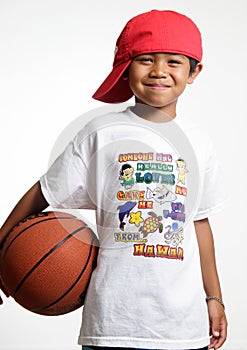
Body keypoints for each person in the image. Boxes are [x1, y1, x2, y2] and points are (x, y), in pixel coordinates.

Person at [0, 9, 228, 350]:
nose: (159, 71)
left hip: (181, 326)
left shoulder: (199, 142)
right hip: (111, 321)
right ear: (126, 69)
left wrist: (215, 297)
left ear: (194, 72)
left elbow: (199, 222)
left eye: (174, 62)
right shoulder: (101, 133)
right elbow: (44, 191)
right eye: (146, 59)